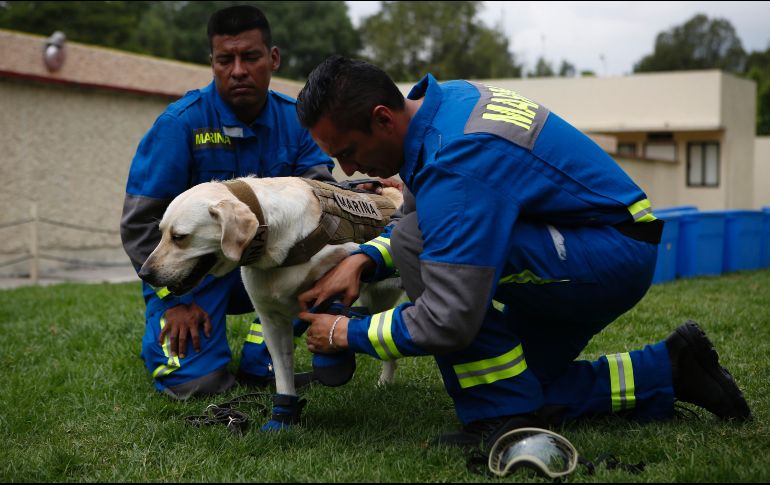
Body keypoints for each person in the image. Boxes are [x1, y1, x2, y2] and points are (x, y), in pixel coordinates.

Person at [295, 56, 752, 447]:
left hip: (611, 254)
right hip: (597, 237)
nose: (349, 169)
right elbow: (428, 212)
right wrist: (365, 258)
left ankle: (499, 414)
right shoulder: (440, 109)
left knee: (422, 246)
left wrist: (344, 334)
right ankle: (670, 368)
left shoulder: (457, 158)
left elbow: (447, 317)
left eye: (350, 152)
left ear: (382, 118)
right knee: (528, 385)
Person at [121, 6, 362, 400]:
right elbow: (140, 224)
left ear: (273, 58)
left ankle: (263, 353)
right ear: (212, 63)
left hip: (275, 270)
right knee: (196, 384)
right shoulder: (179, 125)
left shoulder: (296, 122)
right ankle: (197, 346)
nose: (237, 70)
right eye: (224, 60)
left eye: (249, 57)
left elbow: (323, 205)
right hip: (201, 274)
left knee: (325, 260)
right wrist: (174, 300)